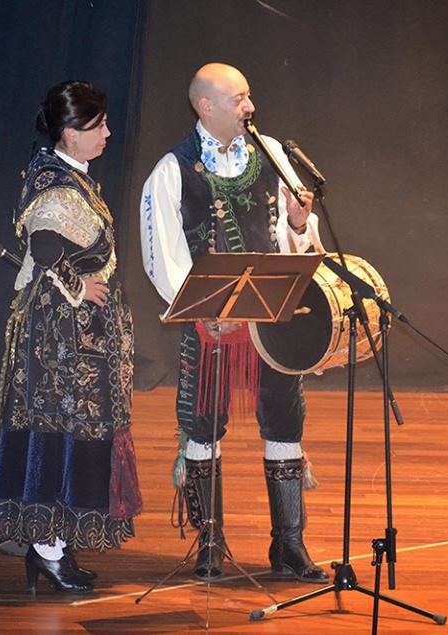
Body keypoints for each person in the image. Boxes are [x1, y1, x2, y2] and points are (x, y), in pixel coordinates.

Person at [139, 63, 328, 584]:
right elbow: (162, 253)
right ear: (206, 106)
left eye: (249, 96)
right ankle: (210, 541)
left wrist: (298, 222)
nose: (250, 106)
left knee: (285, 421)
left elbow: (294, 235)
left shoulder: (272, 153)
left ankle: (289, 543)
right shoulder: (174, 169)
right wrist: (201, 308)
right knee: (204, 426)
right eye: (240, 98)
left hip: (271, 321)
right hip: (213, 327)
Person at [0, 80, 141, 595]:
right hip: (58, 337)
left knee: (75, 431)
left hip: (75, 335)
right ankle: (47, 549)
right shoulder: (53, 181)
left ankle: (54, 546)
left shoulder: (70, 175)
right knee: (57, 430)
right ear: (70, 132)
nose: (107, 134)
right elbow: (45, 244)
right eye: (99, 126)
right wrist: (77, 287)